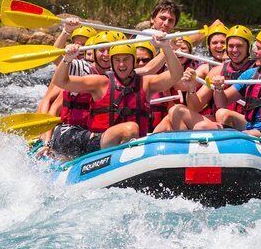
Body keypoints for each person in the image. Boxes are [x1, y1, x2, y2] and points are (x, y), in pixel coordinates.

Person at [45, 32, 184, 158]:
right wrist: (67, 59)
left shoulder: (146, 83)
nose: (122, 65)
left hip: (132, 145)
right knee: (130, 129)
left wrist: (166, 48)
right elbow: (61, 81)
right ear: (112, 62)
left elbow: (176, 75)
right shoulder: (100, 83)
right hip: (99, 143)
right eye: (117, 60)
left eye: (126, 59)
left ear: (133, 61)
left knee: (135, 129)